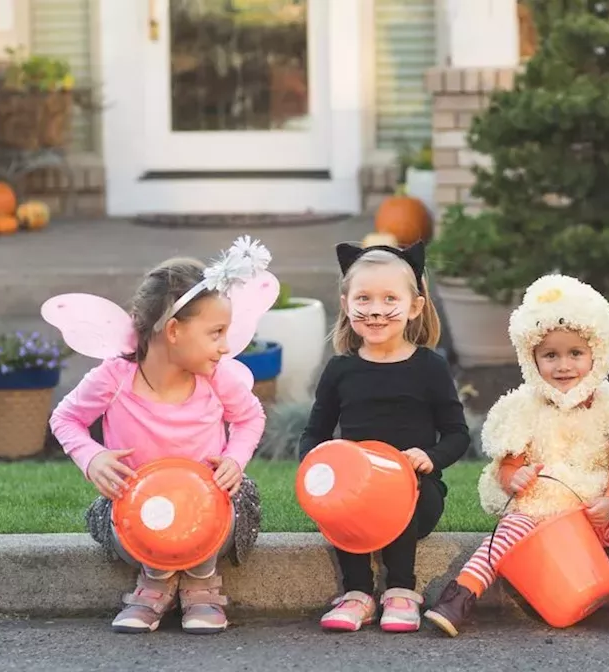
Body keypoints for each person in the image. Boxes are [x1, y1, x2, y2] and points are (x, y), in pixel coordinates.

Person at [47, 236, 275, 634]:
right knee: (134, 517)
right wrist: (92, 457)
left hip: (209, 507)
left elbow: (251, 417)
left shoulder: (215, 378)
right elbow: (65, 418)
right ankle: (155, 581)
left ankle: (201, 583)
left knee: (225, 505)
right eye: (216, 332)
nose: (226, 347)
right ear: (173, 331)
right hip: (140, 510)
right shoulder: (115, 378)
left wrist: (235, 459)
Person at [422, 274, 609, 637]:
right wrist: (515, 479)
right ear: (531, 358)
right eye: (550, 355)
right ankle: (461, 594)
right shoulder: (524, 408)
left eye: (575, 354)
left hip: (595, 512)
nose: (563, 365)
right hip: (543, 513)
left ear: (597, 354)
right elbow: (508, 463)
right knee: (508, 529)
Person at [298, 240, 469, 633]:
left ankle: (401, 590)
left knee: (403, 494)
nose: (375, 309)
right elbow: (315, 434)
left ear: (414, 306)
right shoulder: (341, 370)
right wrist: (319, 465)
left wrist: (431, 457)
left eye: (389, 298)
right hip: (356, 491)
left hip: (416, 492)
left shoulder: (430, 368)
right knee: (341, 501)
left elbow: (457, 434)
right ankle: (357, 593)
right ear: (346, 304)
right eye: (364, 298)